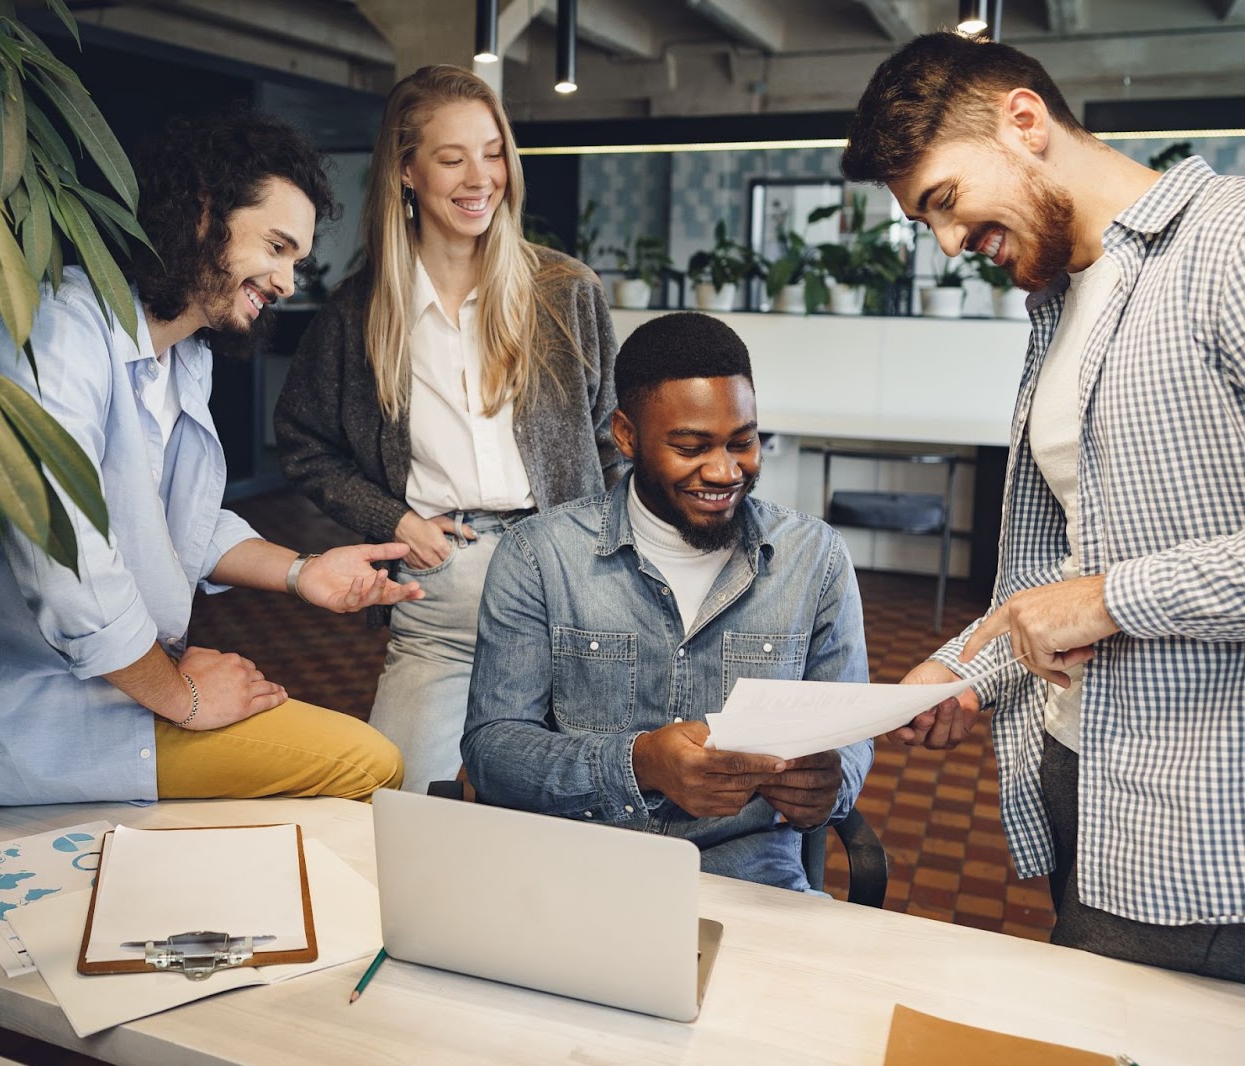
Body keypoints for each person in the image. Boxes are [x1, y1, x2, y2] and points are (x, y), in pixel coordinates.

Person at [0, 109, 423, 807]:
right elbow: (66, 561)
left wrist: (304, 572)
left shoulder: (182, 356)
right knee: (366, 766)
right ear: (201, 214)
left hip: (122, 682)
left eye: (296, 262)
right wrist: (182, 694)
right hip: (13, 707)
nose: (285, 281)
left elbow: (172, 520)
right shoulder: (53, 328)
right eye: (276, 247)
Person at [842, 32, 1245, 980]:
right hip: (1083, 776)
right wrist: (957, 670)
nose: (946, 244)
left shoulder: (1228, 244)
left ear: (1024, 121)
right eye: (923, 222)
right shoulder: (1060, 300)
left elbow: (1094, 591)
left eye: (943, 200)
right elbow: (1057, 572)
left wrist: (1109, 601)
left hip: (1206, 813)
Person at [275, 65, 625, 791]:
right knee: (396, 805)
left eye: (493, 152)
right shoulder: (358, 312)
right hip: (441, 592)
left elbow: (612, 443)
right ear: (406, 170)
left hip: (566, 583)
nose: (480, 177)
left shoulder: (566, 292)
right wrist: (393, 520)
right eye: (452, 156)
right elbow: (304, 443)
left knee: (575, 813)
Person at [461, 313, 872, 891]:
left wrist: (831, 785)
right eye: (690, 446)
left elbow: (849, 733)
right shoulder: (538, 557)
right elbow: (493, 750)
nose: (725, 471)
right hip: (575, 866)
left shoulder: (815, 559)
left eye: (743, 442)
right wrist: (641, 763)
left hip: (748, 873)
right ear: (625, 435)